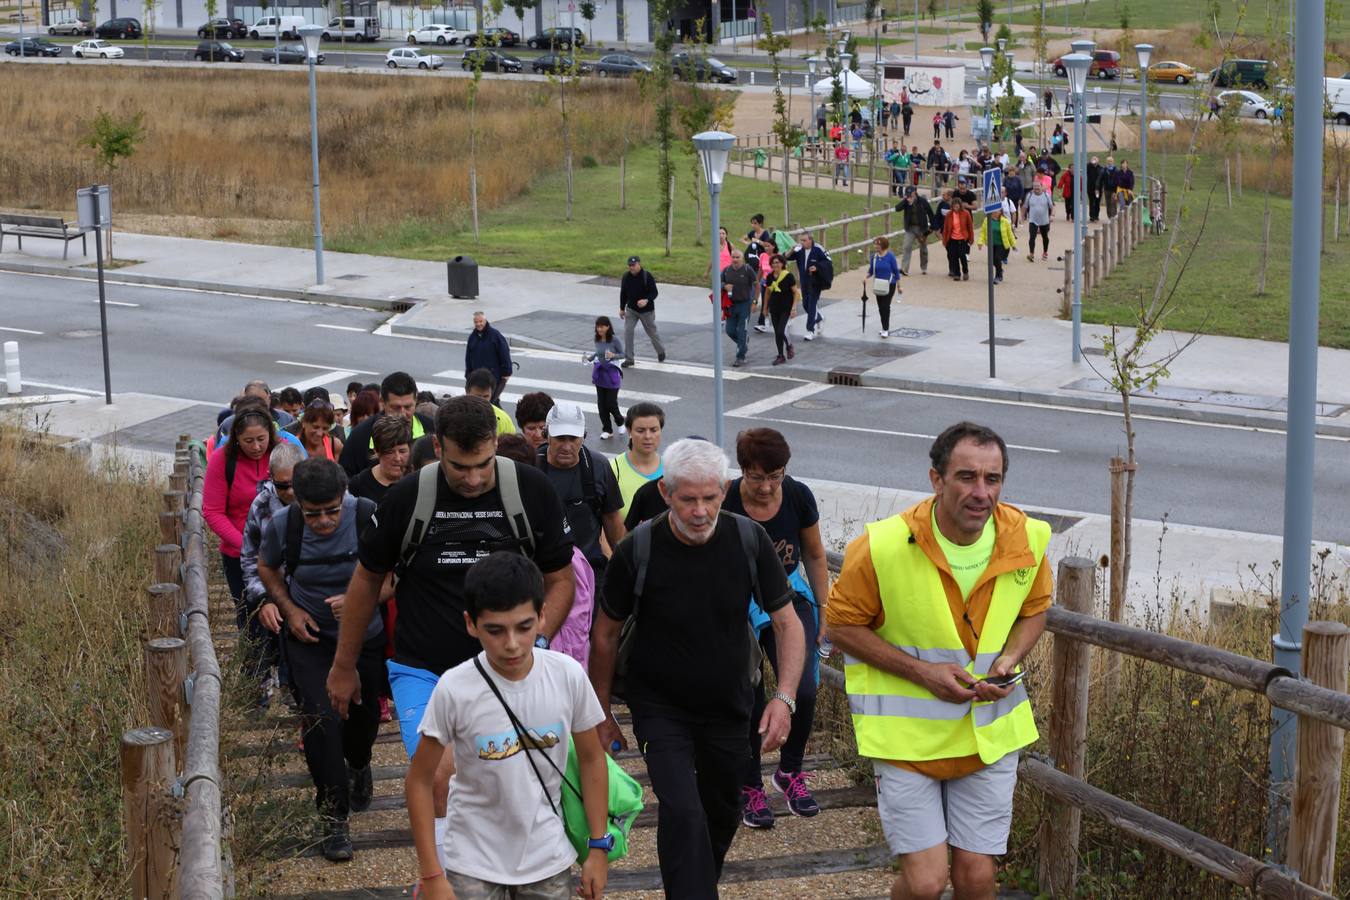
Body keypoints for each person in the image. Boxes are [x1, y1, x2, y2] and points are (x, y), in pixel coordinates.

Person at [827, 423, 1052, 900]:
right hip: (907, 741)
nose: (981, 492)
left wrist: (1009, 659)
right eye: (967, 477)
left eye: (992, 479)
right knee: (926, 882)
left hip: (987, 735)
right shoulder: (883, 546)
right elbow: (840, 627)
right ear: (936, 480)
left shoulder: (1026, 538)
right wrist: (922, 673)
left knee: (976, 878)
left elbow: (1036, 609)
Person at [590, 439, 804, 898]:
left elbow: (787, 624)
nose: (701, 510)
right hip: (659, 707)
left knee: (720, 814)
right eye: (688, 499)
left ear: (723, 492)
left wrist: (784, 699)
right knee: (682, 810)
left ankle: (695, 886)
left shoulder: (749, 539)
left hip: (731, 705)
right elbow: (604, 635)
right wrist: (601, 710)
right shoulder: (638, 549)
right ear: (666, 493)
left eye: (710, 497)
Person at [327, 396, 576, 762]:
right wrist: (344, 665)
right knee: (440, 780)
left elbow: (561, 580)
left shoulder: (532, 491)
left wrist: (534, 643)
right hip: (424, 671)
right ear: (438, 446)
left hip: (510, 669)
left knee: (508, 778)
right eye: (460, 467)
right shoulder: (407, 498)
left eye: (483, 465)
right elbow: (366, 582)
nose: (473, 479)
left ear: (495, 443)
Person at [404, 552, 609, 900]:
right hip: (470, 861)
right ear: (471, 624)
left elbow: (592, 759)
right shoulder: (455, 688)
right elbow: (420, 780)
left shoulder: (568, 676)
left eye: (524, 627)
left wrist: (598, 847)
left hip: (548, 857)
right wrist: (432, 872)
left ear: (543, 616)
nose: (511, 643)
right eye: (495, 630)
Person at [257, 458, 385, 862]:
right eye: (314, 514)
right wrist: (290, 610)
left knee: (363, 719)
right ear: (298, 503)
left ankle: (360, 764)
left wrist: (360, 600)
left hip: (364, 636)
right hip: (310, 638)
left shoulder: (368, 516)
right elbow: (267, 567)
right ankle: (333, 817)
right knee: (320, 720)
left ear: (344, 495)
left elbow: (394, 575)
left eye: (332, 510)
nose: (325, 521)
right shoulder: (284, 525)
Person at [722, 429, 829, 831]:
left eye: (776, 476)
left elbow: (815, 554)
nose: (767, 487)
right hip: (736, 598)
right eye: (757, 477)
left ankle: (789, 771)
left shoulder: (799, 496)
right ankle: (749, 784)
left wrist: (824, 608)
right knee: (750, 692)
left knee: (802, 687)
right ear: (743, 471)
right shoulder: (726, 497)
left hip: (787, 591)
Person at [205, 400, 277, 680]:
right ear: (236, 438)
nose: (256, 446)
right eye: (248, 441)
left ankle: (284, 675)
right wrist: (246, 545)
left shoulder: (282, 452)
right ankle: (255, 680)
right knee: (249, 616)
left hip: (281, 552)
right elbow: (212, 511)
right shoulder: (224, 460)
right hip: (238, 556)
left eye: (261, 439)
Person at [238, 442, 305, 711]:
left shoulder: (325, 495)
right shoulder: (262, 505)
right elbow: (249, 557)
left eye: (294, 484)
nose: (289, 492)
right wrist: (264, 598)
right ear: (271, 479)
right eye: (282, 486)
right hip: (276, 591)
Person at [537, 400, 625, 581]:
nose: (567, 446)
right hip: (544, 571)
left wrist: (625, 564)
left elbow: (612, 517)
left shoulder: (598, 466)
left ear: (583, 437)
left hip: (590, 568)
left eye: (573, 438)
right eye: (560, 438)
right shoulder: (531, 467)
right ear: (546, 436)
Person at [338, 372, 433, 477]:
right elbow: (345, 479)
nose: (402, 414)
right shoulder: (360, 436)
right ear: (382, 402)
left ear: (416, 401)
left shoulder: (432, 430)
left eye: (408, 407)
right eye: (395, 407)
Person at [608, 401, 664, 521]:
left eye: (654, 430)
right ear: (629, 431)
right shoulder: (613, 470)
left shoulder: (671, 470)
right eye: (640, 430)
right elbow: (606, 520)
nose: (648, 436)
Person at [348, 415, 411, 506]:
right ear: (377, 451)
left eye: (402, 451)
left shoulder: (417, 479)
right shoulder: (358, 485)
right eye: (390, 452)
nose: (397, 458)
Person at [619, 255, 666, 367]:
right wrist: (621, 308)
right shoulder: (626, 277)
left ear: (639, 264)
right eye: (630, 265)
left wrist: (646, 300)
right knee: (628, 331)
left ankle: (660, 351)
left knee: (651, 332)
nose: (632, 267)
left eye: (634, 265)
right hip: (631, 310)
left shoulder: (646, 276)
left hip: (646, 311)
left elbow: (654, 292)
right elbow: (623, 293)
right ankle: (629, 358)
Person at [784, 232, 830, 341]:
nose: (802, 242)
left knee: (812, 304)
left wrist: (817, 268)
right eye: (801, 240)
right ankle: (819, 318)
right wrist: (791, 249)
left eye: (804, 240)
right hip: (804, 282)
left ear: (810, 240)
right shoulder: (799, 250)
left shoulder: (818, 249)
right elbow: (785, 257)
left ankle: (810, 330)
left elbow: (828, 262)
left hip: (816, 282)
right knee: (805, 305)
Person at [587, 316, 625, 439]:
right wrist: (590, 358)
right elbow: (598, 352)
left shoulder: (614, 340)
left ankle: (620, 421)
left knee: (611, 403)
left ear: (608, 327)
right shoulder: (596, 339)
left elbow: (624, 354)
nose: (599, 329)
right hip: (600, 374)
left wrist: (613, 355)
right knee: (601, 404)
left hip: (612, 373)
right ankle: (607, 430)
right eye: (598, 327)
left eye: (602, 326)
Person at [464, 312, 513, 407]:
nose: (478, 324)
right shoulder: (472, 337)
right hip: (477, 379)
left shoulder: (495, 336)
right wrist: (468, 376)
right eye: (476, 322)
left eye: (480, 321)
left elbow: (504, 354)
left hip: (493, 378)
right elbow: (468, 358)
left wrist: (506, 372)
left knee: (493, 403)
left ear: (485, 321)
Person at [722, 248, 759, 368]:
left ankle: (740, 357)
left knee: (742, 331)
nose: (735, 260)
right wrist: (725, 286)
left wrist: (754, 301)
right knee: (730, 330)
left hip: (744, 304)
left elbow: (756, 285)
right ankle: (743, 343)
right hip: (731, 305)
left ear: (742, 259)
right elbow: (719, 282)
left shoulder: (748, 270)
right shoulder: (727, 270)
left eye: (738, 257)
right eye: (733, 257)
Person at [762, 253, 799, 366]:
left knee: (781, 330)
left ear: (782, 263)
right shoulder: (769, 277)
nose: (775, 264)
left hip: (785, 307)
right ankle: (780, 355)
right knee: (777, 334)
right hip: (774, 308)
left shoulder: (788, 276)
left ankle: (789, 346)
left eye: (777, 262)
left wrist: (794, 308)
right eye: (773, 263)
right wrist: (765, 308)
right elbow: (767, 293)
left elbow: (796, 293)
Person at [864, 236, 902, 339]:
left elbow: (896, 271)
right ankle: (883, 327)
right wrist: (866, 277)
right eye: (875, 244)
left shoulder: (890, 257)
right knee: (881, 307)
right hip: (878, 285)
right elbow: (871, 270)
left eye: (878, 244)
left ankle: (885, 329)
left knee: (885, 306)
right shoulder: (874, 257)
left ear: (883, 246)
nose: (875, 246)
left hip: (890, 285)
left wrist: (899, 286)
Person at [466, 368, 517, 436]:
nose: (482, 401)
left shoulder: (503, 419)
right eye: (477, 397)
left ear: (492, 394)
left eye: (486, 396)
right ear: (467, 392)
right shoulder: (455, 416)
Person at [897, 186, 932, 277]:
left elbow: (930, 213)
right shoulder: (906, 202)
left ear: (915, 192)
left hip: (921, 228)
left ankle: (924, 267)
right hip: (910, 228)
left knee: (923, 248)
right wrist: (905, 201)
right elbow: (897, 208)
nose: (909, 196)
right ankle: (904, 269)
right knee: (906, 246)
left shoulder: (922, 201)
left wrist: (931, 228)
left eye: (911, 194)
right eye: (907, 194)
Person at [976, 206, 1016, 284]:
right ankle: (1000, 270)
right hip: (991, 245)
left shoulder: (1005, 221)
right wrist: (980, 242)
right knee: (992, 260)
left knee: (997, 258)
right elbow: (983, 232)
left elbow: (1010, 234)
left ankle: (998, 276)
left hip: (1002, 245)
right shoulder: (987, 220)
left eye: (997, 211)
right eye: (993, 211)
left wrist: (1013, 245)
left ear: (1000, 212)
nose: (995, 213)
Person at [941, 197, 973, 281]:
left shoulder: (966, 213)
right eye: (954, 206)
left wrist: (971, 239)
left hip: (962, 239)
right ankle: (957, 274)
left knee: (962, 256)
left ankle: (965, 271)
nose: (956, 207)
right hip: (952, 239)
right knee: (953, 257)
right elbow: (945, 228)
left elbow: (970, 227)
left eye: (957, 205)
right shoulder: (949, 215)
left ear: (960, 205)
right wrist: (944, 240)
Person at [1022, 177, 1053, 262]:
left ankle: (1045, 252)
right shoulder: (1030, 195)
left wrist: (1052, 215)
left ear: (1041, 186)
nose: (1036, 188)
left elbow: (1052, 206)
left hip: (1044, 220)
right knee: (1032, 237)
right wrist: (1022, 217)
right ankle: (1031, 254)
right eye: (1034, 187)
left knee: (1045, 237)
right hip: (1033, 220)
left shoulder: (1046, 195)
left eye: (1038, 186)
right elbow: (1025, 206)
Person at [1086, 155, 1103, 222]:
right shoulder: (1089, 167)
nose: (1094, 160)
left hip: (1098, 189)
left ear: (1098, 160)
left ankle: (1096, 216)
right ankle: (1092, 216)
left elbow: (1102, 178)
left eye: (1095, 159)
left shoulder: (1100, 168)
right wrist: (1090, 163)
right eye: (1093, 159)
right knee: (1091, 202)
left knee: (1097, 202)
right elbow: (1086, 169)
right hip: (1090, 188)